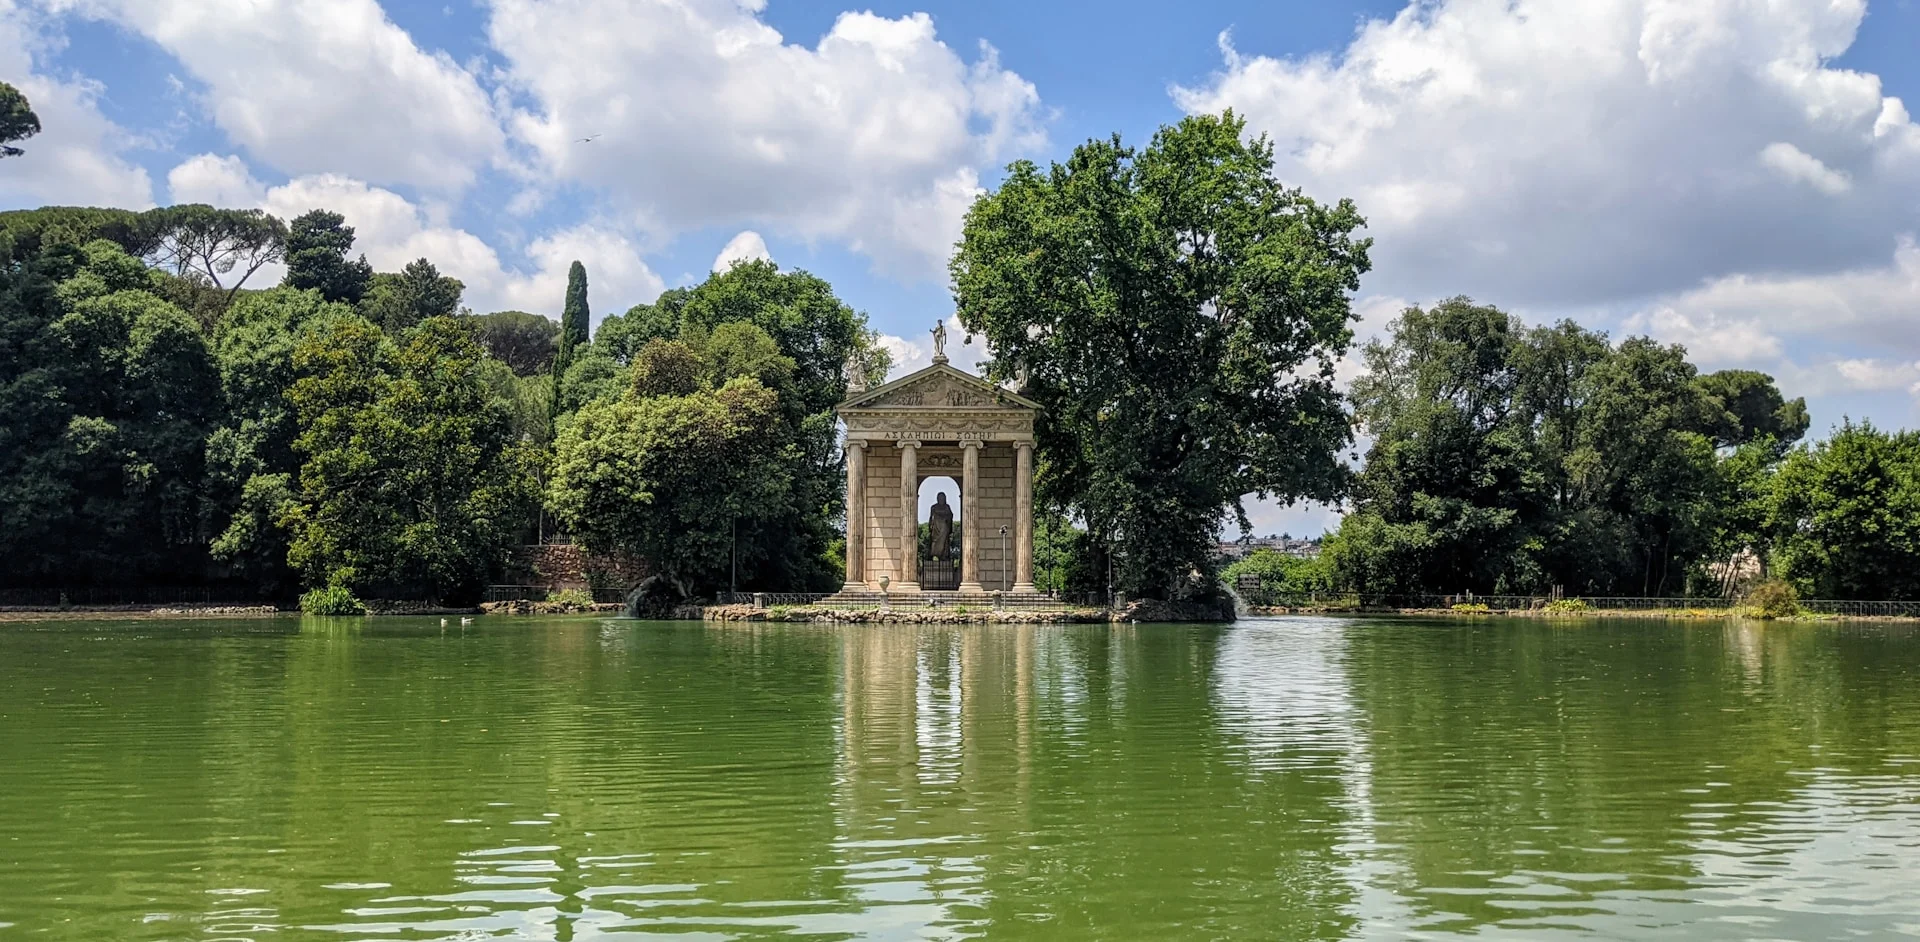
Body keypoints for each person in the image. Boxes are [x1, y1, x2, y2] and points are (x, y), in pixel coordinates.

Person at [928, 492, 953, 560]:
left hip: (944, 528)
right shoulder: (933, 507)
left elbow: (950, 516)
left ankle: (944, 556)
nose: (941, 499)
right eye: (940, 498)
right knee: (934, 541)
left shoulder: (947, 507)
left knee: (945, 542)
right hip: (936, 529)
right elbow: (931, 517)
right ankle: (933, 554)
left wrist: (946, 519)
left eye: (942, 498)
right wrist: (930, 526)